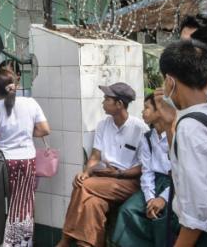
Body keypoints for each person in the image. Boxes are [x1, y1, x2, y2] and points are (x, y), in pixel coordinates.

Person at [153, 40, 207, 246]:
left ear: (170, 82)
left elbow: (197, 213)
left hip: (205, 237)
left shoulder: (190, 129)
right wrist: (169, 125)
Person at [56, 82, 147, 247]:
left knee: (83, 186)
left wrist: (120, 174)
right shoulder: (103, 125)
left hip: (127, 181)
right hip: (103, 179)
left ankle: (65, 239)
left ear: (119, 104)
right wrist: (86, 172)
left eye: (107, 99)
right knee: (93, 203)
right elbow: (95, 156)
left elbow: (143, 167)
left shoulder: (140, 129)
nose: (102, 102)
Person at [0, 69, 49, 247]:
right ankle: (23, 243)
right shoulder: (30, 103)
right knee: (25, 202)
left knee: (2, 203)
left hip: (4, 162)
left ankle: (3, 241)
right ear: (15, 85)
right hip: (27, 160)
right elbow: (44, 129)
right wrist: (25, 133)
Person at [112, 93, 177, 247]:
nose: (143, 112)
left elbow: (180, 175)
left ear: (160, 111)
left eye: (147, 108)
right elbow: (147, 171)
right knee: (128, 210)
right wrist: (149, 199)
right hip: (153, 183)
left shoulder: (175, 136)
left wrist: (163, 199)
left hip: (174, 185)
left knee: (163, 217)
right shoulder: (147, 137)